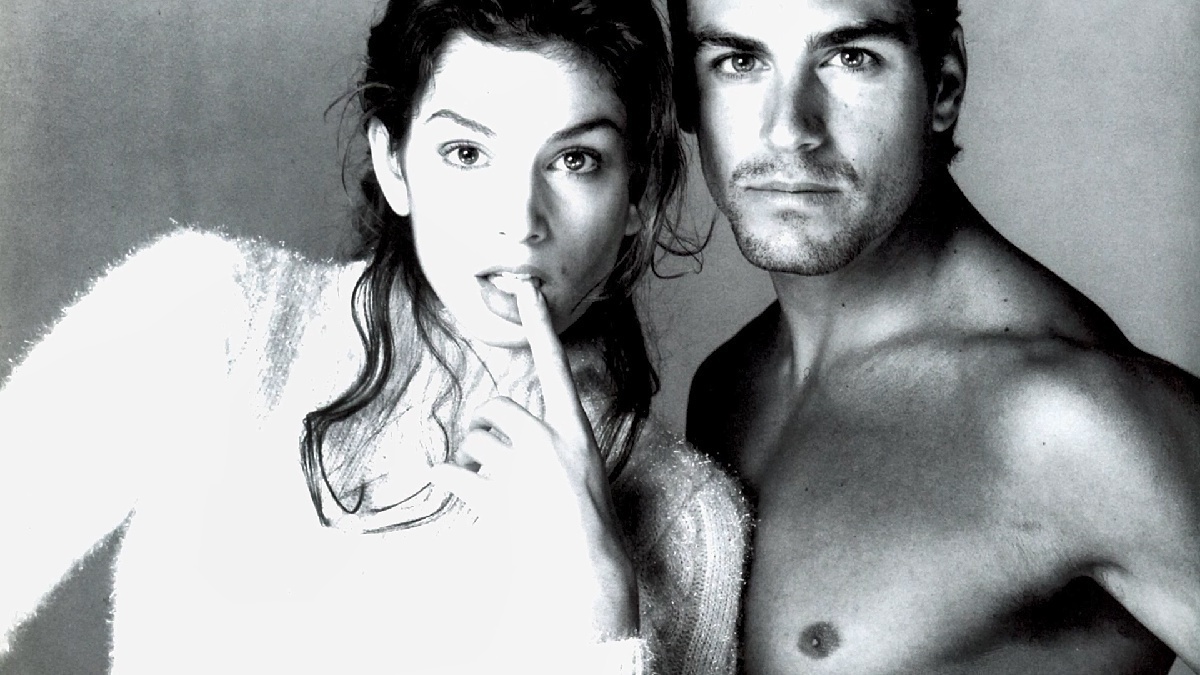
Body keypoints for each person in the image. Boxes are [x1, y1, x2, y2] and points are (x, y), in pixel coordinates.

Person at [0, 1, 750, 673]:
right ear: (395, 164)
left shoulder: (689, 519)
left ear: (636, 194)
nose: (520, 219)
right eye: (467, 153)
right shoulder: (211, 311)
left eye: (574, 160)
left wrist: (602, 604)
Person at [670, 0, 1200, 672]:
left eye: (851, 58)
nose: (789, 131)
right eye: (740, 61)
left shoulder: (1078, 419)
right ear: (687, 98)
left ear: (943, 87)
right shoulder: (725, 385)